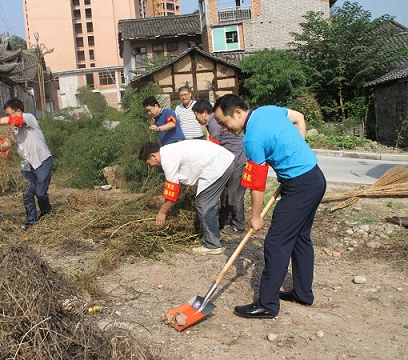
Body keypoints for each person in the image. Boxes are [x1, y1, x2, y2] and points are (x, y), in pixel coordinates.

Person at [213, 94, 326, 319]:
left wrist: (255, 217)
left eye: (224, 123)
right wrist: (298, 147)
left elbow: (257, 185)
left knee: (276, 243)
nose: (225, 129)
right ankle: (303, 294)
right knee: (301, 238)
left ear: (237, 112)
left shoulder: (252, 139)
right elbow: (299, 118)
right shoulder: (268, 110)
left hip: (300, 186)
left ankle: (267, 304)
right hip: (315, 178)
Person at [139, 140, 235, 254]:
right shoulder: (170, 150)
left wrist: (162, 213)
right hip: (223, 161)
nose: (152, 166)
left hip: (218, 166)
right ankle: (211, 237)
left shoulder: (168, 159)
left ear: (153, 156)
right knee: (205, 202)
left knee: (204, 204)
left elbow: (172, 192)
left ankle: (213, 244)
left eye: (149, 163)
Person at [0, 97, 53, 230]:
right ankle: (31, 221)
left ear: (18, 111)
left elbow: (14, 120)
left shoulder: (29, 118)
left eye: (8, 114)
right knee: (27, 193)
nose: (7, 117)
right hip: (26, 164)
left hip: (42, 160)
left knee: (40, 193)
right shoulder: (13, 129)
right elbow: (6, 145)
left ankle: (46, 212)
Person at [192, 99, 247, 235]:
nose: (196, 119)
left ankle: (239, 225)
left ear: (204, 113)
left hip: (237, 160)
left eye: (196, 115)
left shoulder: (214, 122)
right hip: (229, 161)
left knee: (234, 194)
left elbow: (213, 145)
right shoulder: (212, 123)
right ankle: (222, 221)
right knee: (225, 194)